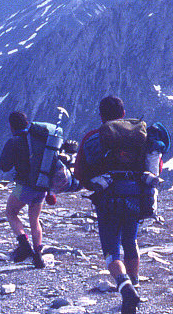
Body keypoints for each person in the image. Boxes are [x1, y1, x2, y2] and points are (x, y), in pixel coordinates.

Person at [74, 96, 141, 314]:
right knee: (130, 240)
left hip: (107, 198)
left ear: (101, 116)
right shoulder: (138, 134)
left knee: (112, 249)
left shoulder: (93, 137)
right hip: (134, 195)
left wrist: (93, 185)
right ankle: (135, 284)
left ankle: (125, 287)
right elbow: (155, 164)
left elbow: (79, 173)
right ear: (123, 114)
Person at [0, 110, 46, 269]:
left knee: (11, 212)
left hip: (25, 185)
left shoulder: (14, 141)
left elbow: (4, 166)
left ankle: (24, 244)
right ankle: (38, 256)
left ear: (12, 126)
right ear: (27, 123)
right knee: (35, 219)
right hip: (42, 185)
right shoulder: (39, 138)